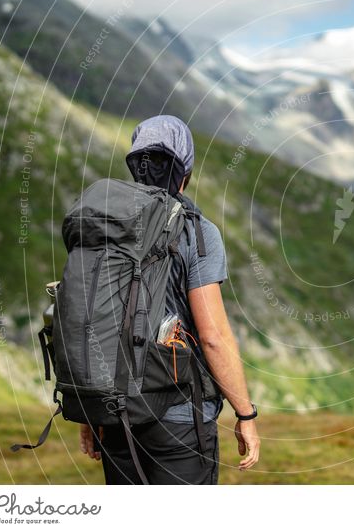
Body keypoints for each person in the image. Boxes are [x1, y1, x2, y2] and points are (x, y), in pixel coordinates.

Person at [77, 115, 260, 484]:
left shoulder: (107, 229)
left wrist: (90, 413)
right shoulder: (196, 231)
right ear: (186, 171)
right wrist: (246, 415)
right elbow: (212, 336)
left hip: (115, 413)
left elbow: (89, 322)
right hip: (180, 420)